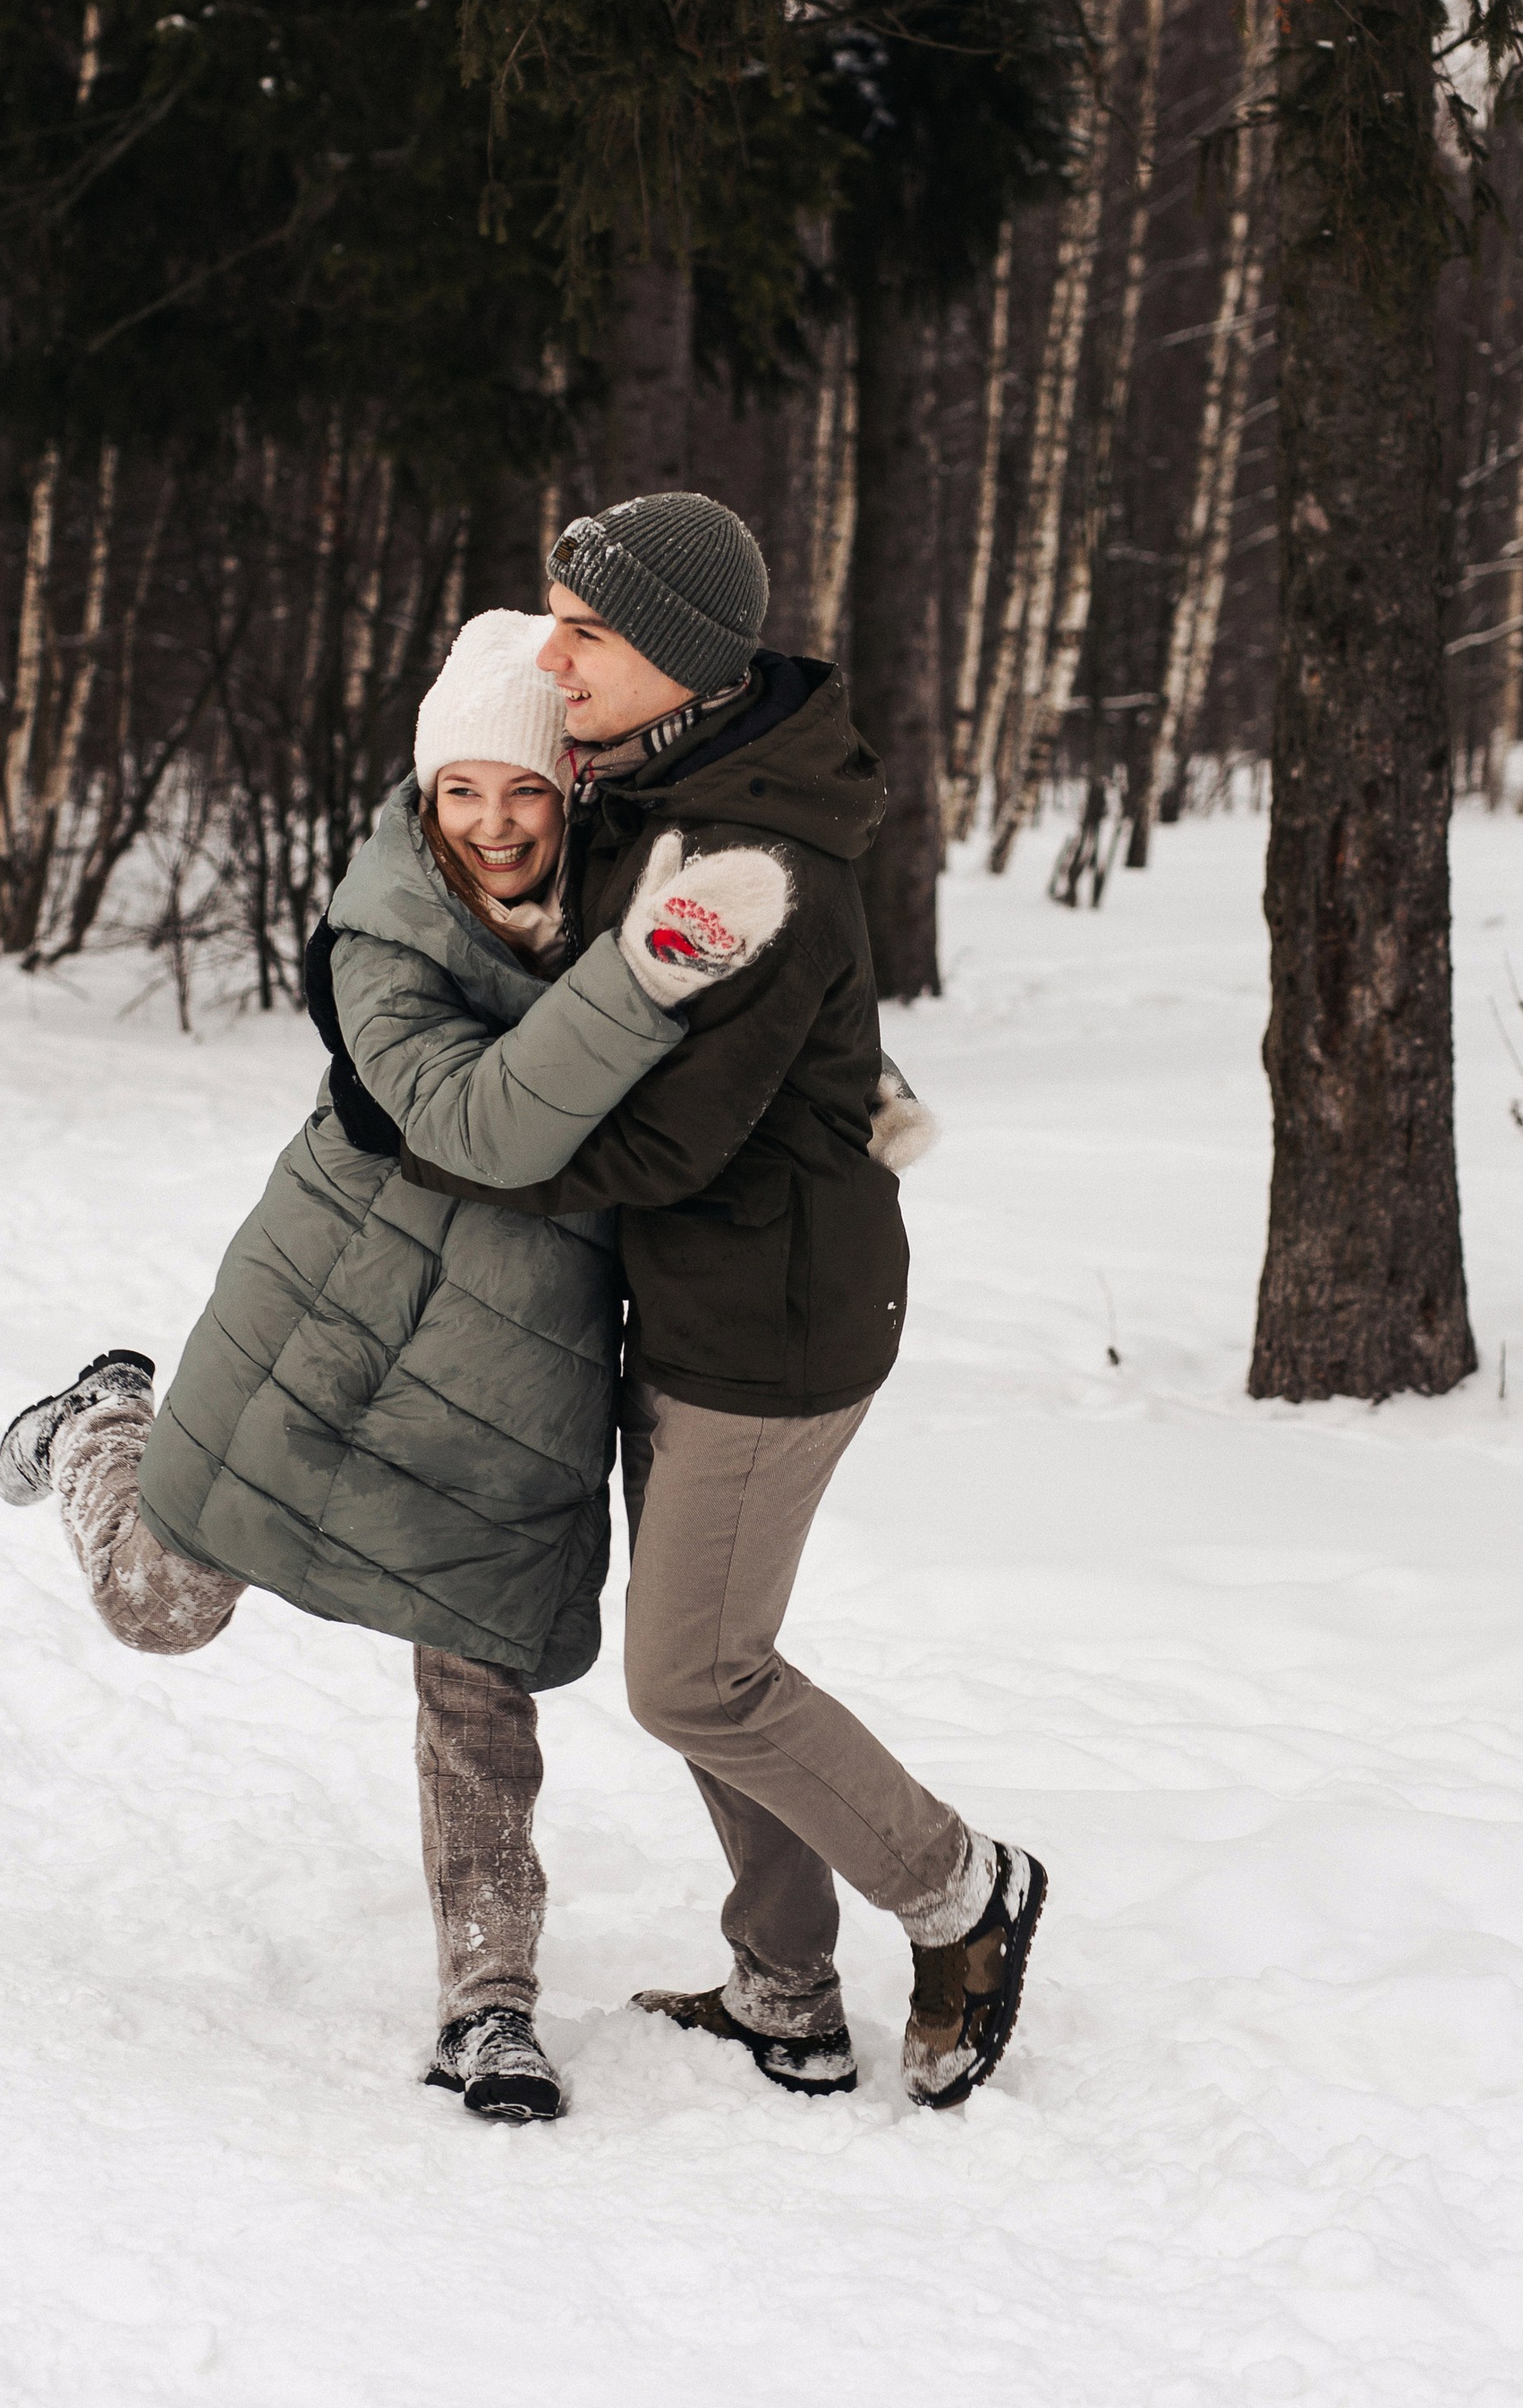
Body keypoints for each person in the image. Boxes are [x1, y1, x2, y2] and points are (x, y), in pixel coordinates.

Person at [0, 609, 788, 2123]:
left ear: (575, 797)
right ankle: (105, 1418)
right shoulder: (382, 933)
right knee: (159, 1606)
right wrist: (641, 979)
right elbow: (473, 1113)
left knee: (480, 1687)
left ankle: (490, 2008)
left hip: (529, 1354)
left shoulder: (635, 899)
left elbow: (760, 1031)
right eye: (462, 792)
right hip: (331, 1309)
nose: (493, 826)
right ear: (425, 796)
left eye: (529, 791)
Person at [404, 494, 1045, 2111]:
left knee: (694, 1676)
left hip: (774, 1324)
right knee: (715, 1651)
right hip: (698, 1301)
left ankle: (965, 1889)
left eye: (586, 636)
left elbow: (669, 1139)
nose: (553, 660)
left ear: (679, 661)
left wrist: (453, 1142)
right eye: (552, 621)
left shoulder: (758, 859)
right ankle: (784, 1986)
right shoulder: (663, 781)